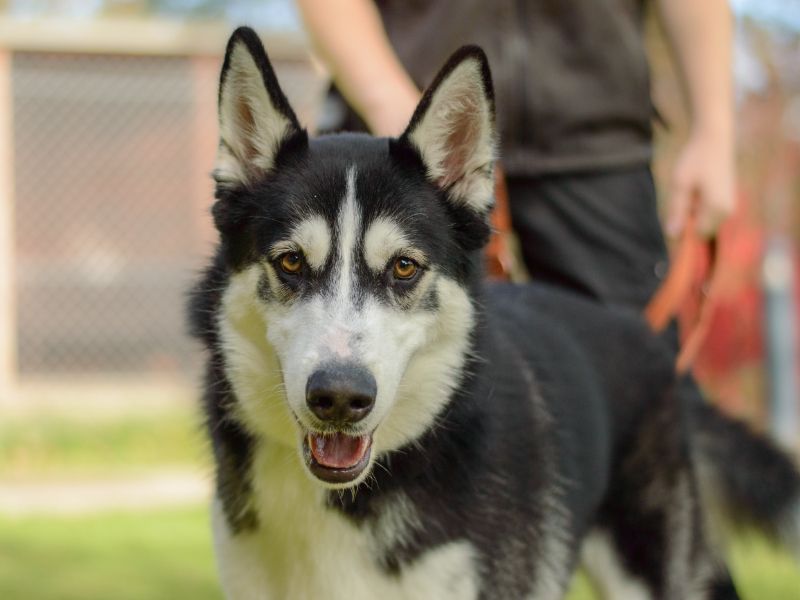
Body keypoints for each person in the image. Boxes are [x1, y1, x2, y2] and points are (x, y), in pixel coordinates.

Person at [296, 0, 734, 315]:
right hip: (400, 144)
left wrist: (713, 130)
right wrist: (391, 105)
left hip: (596, 144)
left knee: (640, 401)